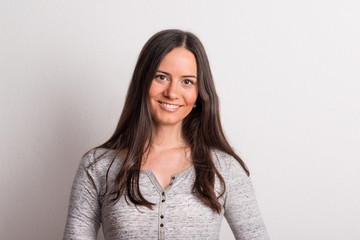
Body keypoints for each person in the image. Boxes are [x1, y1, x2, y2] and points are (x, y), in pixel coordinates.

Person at [63, 29, 269, 240]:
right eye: (161, 77)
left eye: (187, 81)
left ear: (199, 92)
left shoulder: (224, 169)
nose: (172, 92)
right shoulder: (97, 167)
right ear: (142, 82)